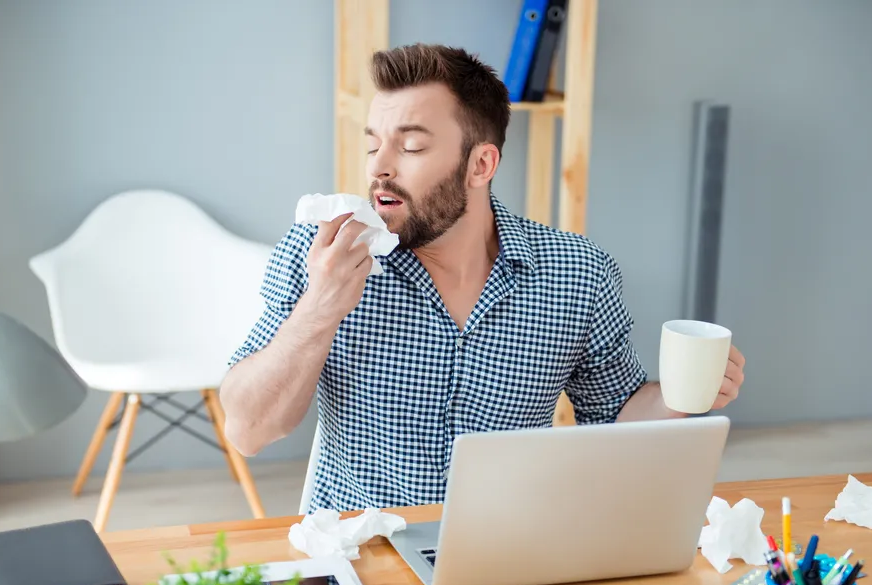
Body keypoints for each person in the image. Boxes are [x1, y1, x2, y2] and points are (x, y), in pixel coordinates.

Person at [220, 44, 746, 514]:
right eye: (374, 143)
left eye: (411, 146)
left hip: (505, 546)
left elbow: (614, 417)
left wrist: (684, 394)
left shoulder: (577, 273)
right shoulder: (322, 255)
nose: (379, 167)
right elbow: (248, 429)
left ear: (480, 164)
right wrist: (320, 308)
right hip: (362, 552)